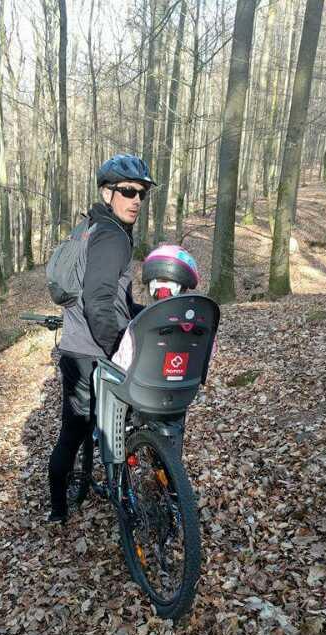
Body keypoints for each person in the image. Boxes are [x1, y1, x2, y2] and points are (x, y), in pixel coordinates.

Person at [48, 154, 156, 524]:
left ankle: (63, 506)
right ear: (107, 192)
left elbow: (115, 299)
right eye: (128, 191)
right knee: (75, 431)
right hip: (90, 354)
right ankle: (59, 510)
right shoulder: (112, 237)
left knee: (77, 430)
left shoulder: (92, 226)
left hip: (78, 347)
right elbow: (97, 302)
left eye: (142, 194)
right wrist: (119, 350)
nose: (136, 200)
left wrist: (148, 315)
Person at [112, 244, 200, 372]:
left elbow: (120, 367)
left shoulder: (137, 327)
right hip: (184, 390)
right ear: (184, 287)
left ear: (152, 289)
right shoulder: (201, 327)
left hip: (138, 391)